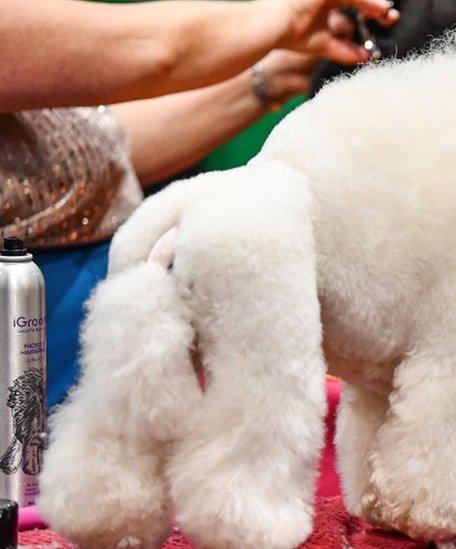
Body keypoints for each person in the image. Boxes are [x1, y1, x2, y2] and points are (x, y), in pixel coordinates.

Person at [0, 0, 398, 407]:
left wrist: (279, 75)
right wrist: (293, 15)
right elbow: (151, 48)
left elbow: (101, 153)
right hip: (30, 333)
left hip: (88, 323)